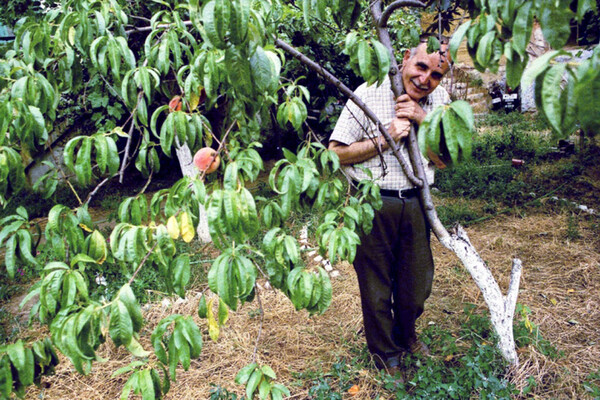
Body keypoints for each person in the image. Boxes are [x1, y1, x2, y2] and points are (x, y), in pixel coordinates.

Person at [328, 38, 451, 375]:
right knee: (376, 286)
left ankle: (407, 334)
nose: (426, 79)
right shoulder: (368, 92)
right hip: (372, 201)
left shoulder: (440, 102)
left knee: (416, 287)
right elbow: (335, 152)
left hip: (415, 204)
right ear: (406, 59)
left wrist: (424, 119)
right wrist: (385, 138)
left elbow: (444, 161)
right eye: (421, 67)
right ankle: (387, 355)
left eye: (436, 74)